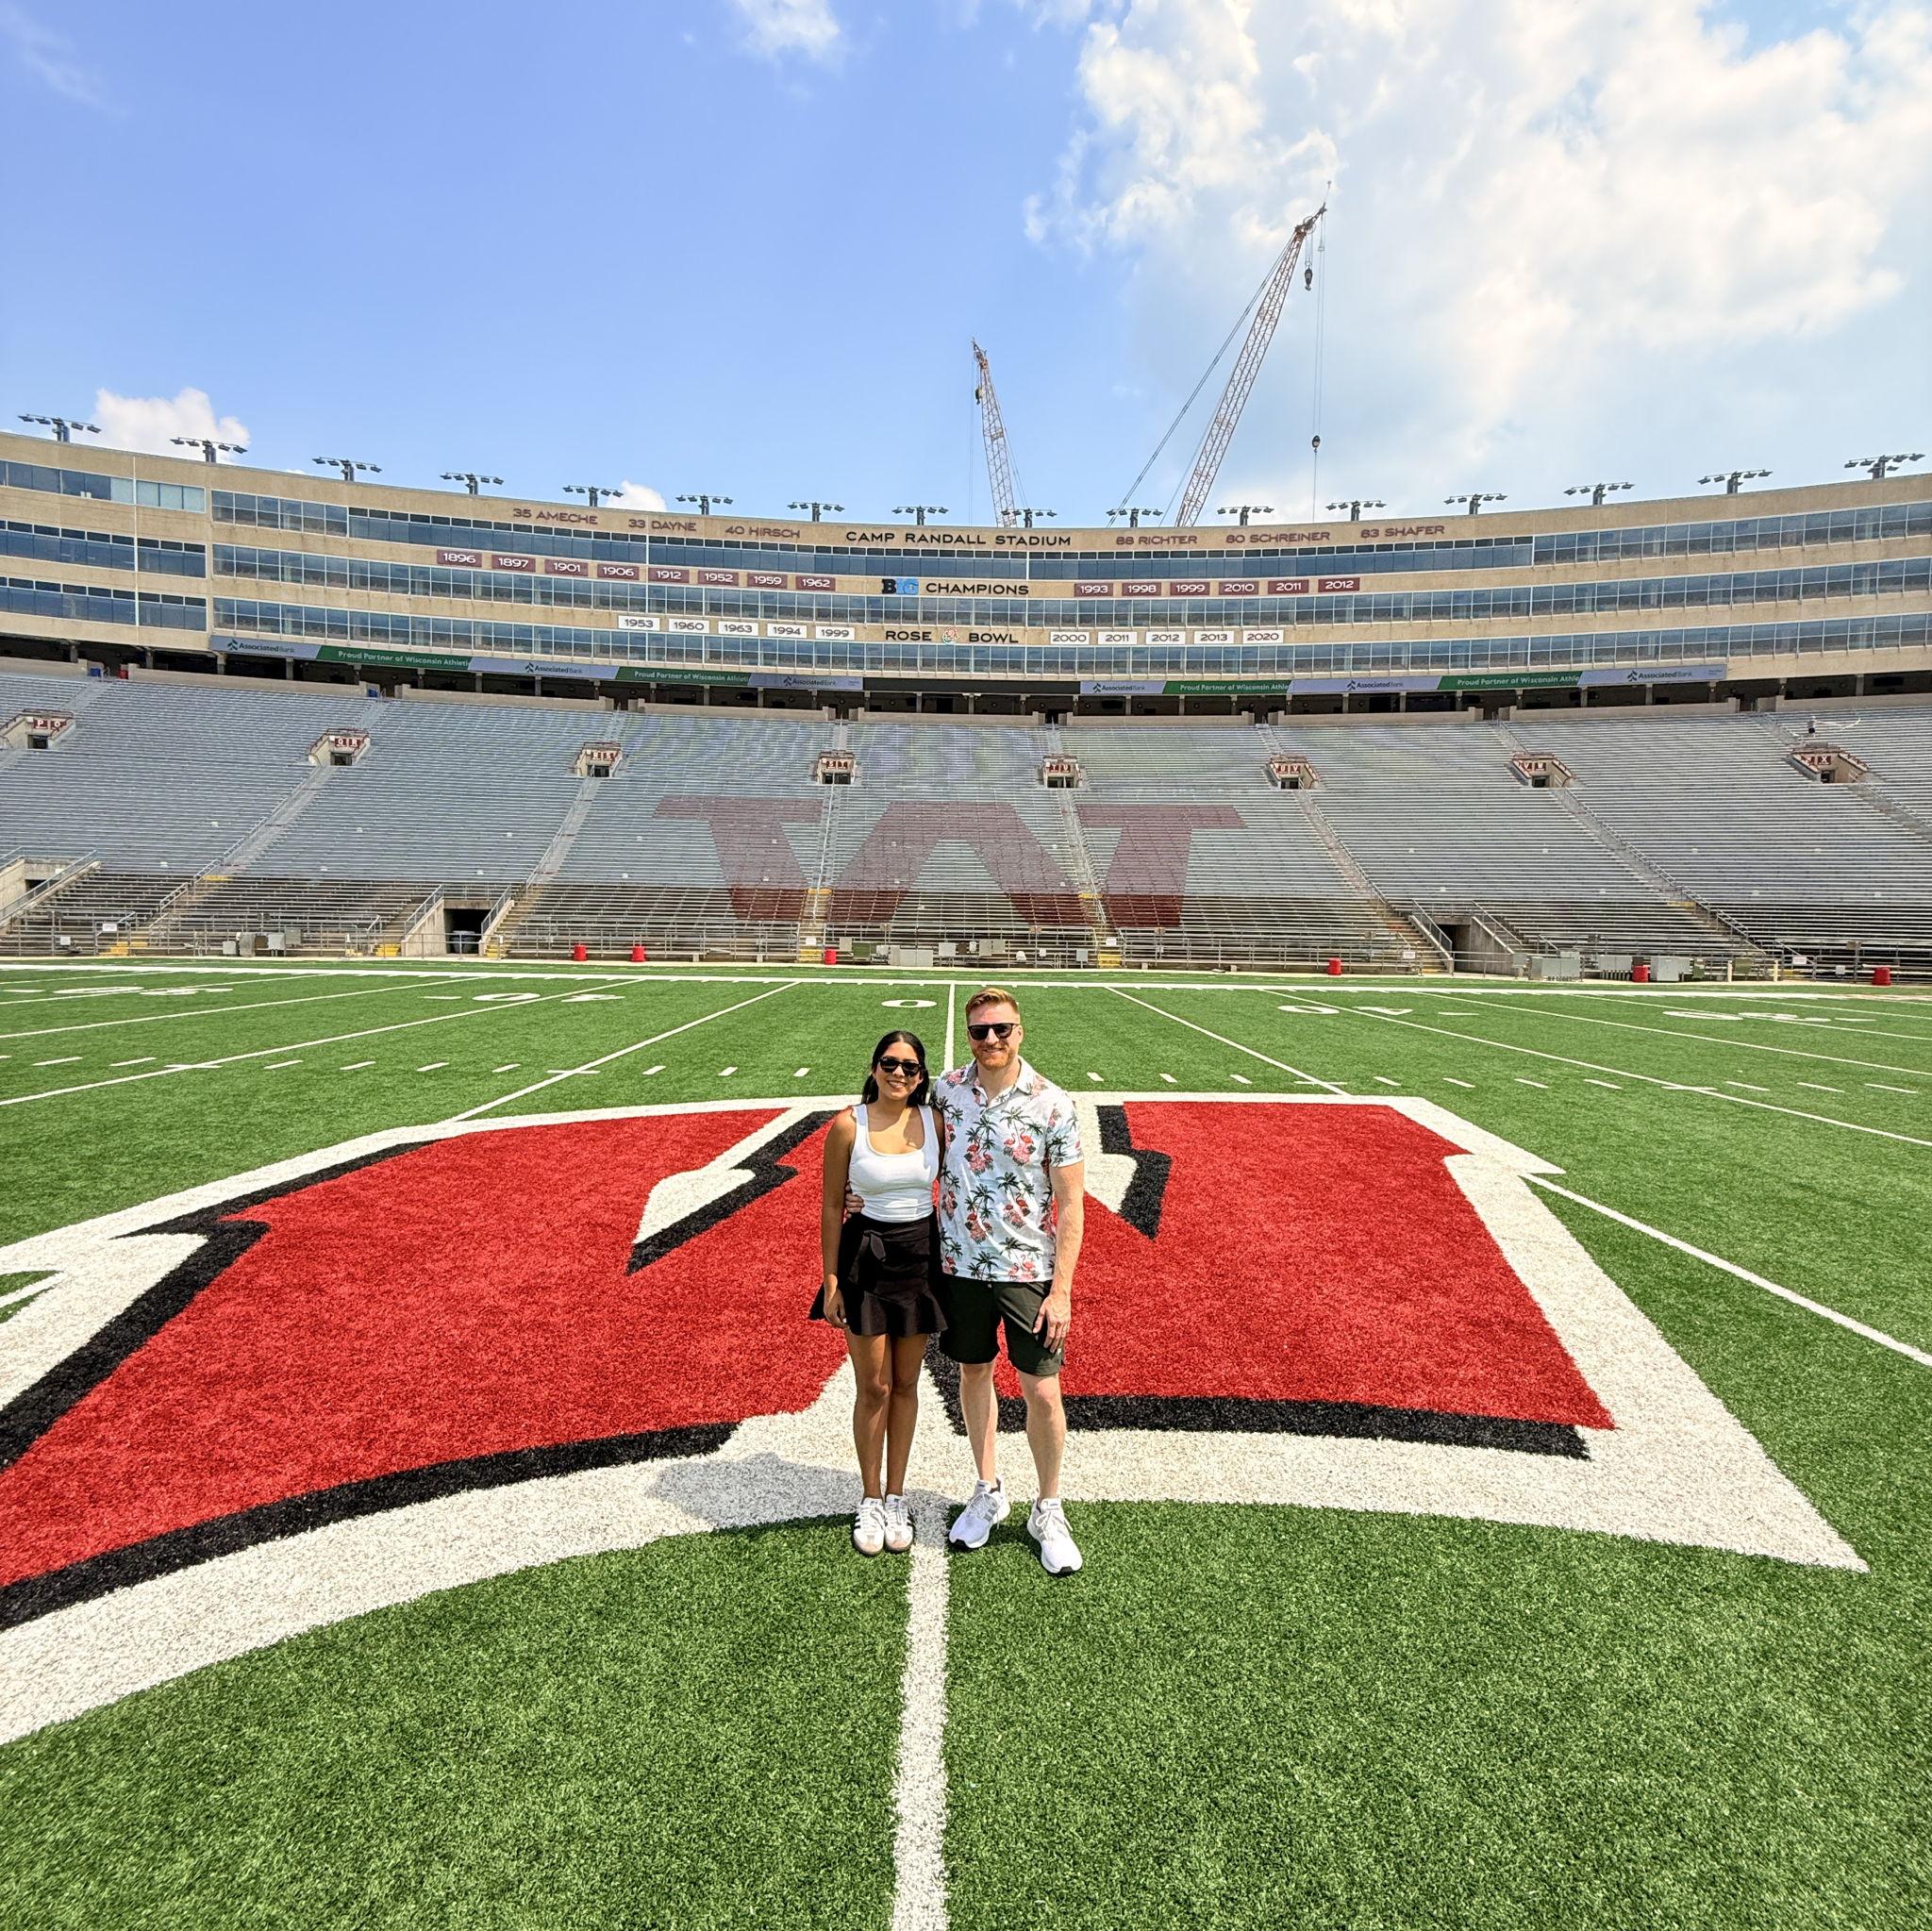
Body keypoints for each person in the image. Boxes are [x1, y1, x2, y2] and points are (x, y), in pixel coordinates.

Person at [932, 987, 1087, 1575]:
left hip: (1028, 1269)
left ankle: (1048, 1506)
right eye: (980, 1031)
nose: (991, 1039)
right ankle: (987, 1488)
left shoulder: (1053, 1103)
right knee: (973, 1372)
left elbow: (1071, 1205)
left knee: (1042, 1389)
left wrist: (1062, 1290)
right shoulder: (947, 1091)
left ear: (1020, 1031)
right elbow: (907, 1151)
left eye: (1002, 1028)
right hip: (960, 1265)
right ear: (969, 1036)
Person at [813, 1031, 946, 1556]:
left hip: (920, 1259)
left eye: (910, 1067)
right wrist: (830, 1280)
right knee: (874, 1387)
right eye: (890, 1063)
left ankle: (896, 1495)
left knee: (907, 1384)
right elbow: (831, 1206)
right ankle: (869, 1496)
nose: (899, 1074)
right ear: (873, 1068)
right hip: (865, 1260)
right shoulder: (849, 1125)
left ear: (921, 1076)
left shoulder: (935, 1122)